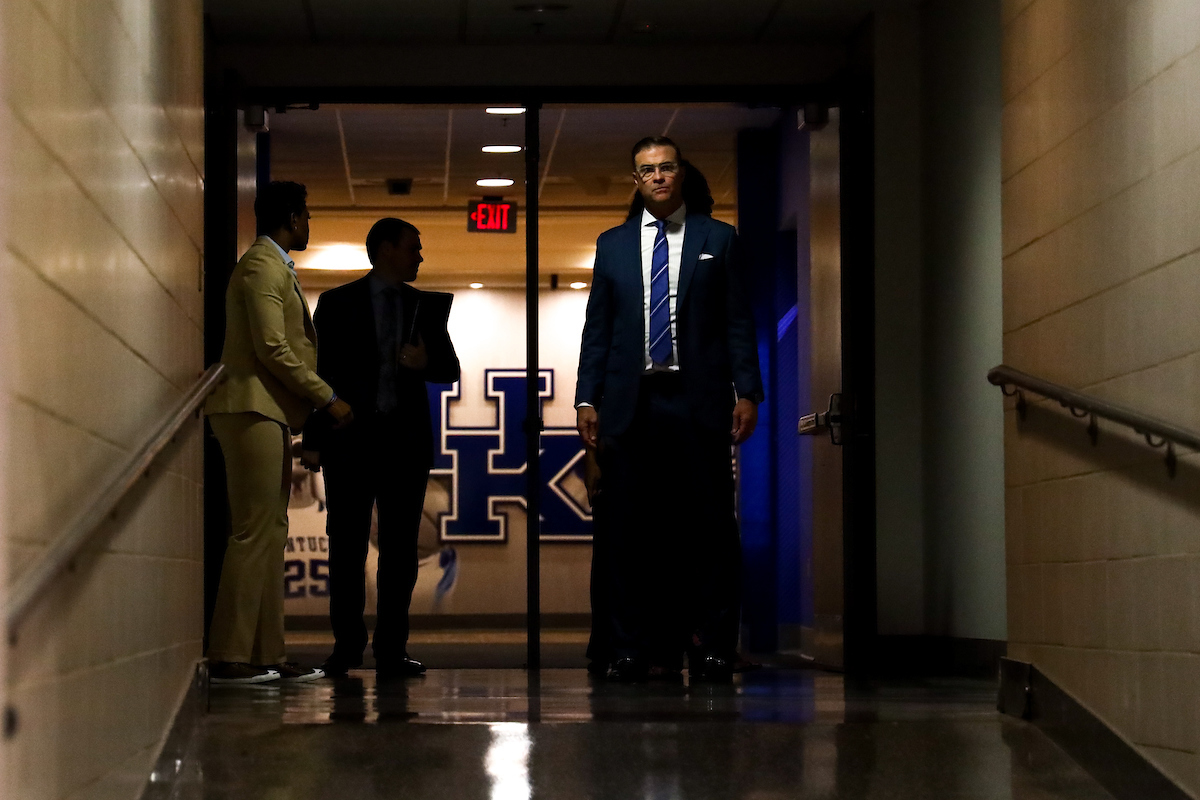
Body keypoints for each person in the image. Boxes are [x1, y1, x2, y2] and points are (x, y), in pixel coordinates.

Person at [576, 137, 763, 683]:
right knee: (626, 533)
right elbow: (598, 329)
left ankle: (713, 647)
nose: (658, 177)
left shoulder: (718, 238)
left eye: (666, 167)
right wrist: (587, 398)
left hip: (697, 402)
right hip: (631, 404)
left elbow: (737, 322)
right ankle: (629, 649)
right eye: (647, 170)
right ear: (636, 180)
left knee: (710, 530)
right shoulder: (612, 245)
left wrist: (747, 392)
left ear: (681, 173)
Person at [204, 180, 353, 684]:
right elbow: (272, 347)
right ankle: (230, 654)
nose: (309, 224)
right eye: (306, 215)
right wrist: (327, 397)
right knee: (253, 531)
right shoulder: (262, 266)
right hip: (250, 407)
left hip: (264, 410)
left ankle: (265, 652)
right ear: (291, 217)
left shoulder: (273, 266)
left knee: (270, 531)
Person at [303, 218, 460, 679]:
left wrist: (425, 361)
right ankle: (347, 647)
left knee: (401, 551)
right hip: (350, 441)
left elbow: (450, 368)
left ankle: (391, 648)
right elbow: (320, 372)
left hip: (404, 445)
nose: (420, 256)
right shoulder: (337, 303)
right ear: (386, 249)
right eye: (413, 247)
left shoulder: (423, 306)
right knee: (346, 548)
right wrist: (313, 439)